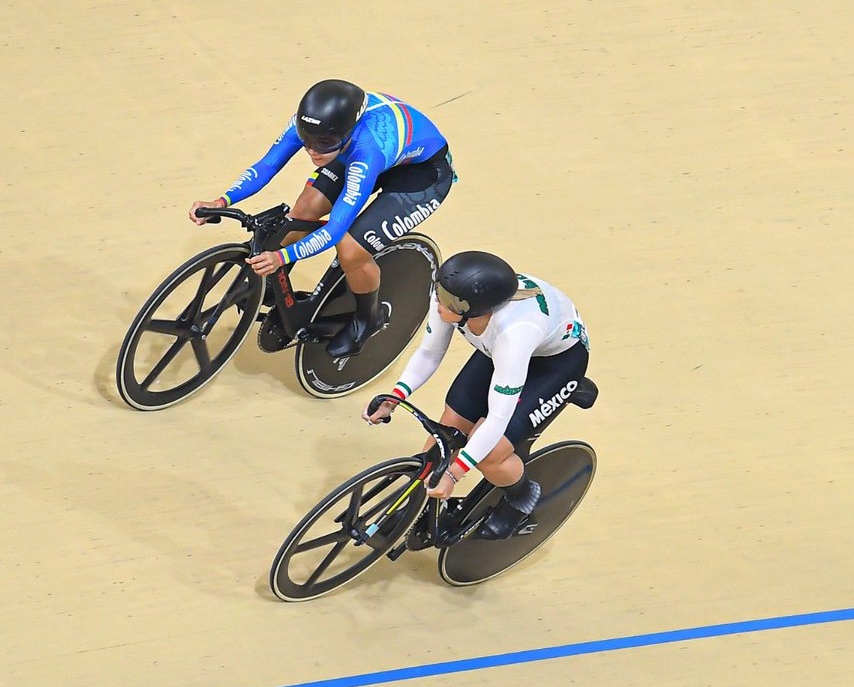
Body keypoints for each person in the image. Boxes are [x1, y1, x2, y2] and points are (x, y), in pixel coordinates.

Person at [189, 79, 455, 358]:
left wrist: (282, 257)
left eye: (322, 144)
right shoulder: (316, 128)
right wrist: (221, 201)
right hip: (348, 150)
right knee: (301, 213)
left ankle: (367, 320)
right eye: (306, 142)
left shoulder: (366, 151)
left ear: (346, 132)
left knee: (351, 248)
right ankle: (273, 284)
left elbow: (334, 231)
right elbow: (267, 166)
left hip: (421, 176)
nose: (313, 151)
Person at [363, 251, 591, 540]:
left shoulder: (514, 333)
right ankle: (420, 503)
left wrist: (454, 474)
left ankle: (521, 499)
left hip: (555, 364)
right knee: (447, 432)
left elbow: (497, 419)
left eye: (447, 299)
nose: (437, 300)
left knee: (491, 456)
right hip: (502, 350)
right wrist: (396, 396)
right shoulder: (453, 299)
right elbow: (429, 353)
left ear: (474, 309)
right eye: (439, 290)